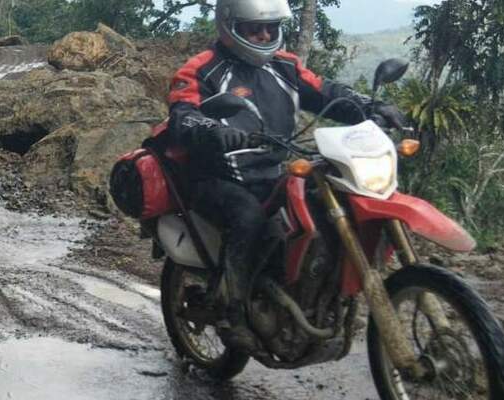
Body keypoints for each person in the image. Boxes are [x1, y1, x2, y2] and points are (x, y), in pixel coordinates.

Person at [164, 0, 407, 349]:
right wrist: (210, 129)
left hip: (274, 172)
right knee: (249, 219)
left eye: (271, 27)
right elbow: (182, 115)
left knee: (325, 208)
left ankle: (307, 292)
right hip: (216, 177)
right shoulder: (202, 69)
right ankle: (230, 313)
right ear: (229, 26)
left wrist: (372, 108)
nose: (264, 34)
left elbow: (328, 93)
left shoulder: (286, 66)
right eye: (254, 28)